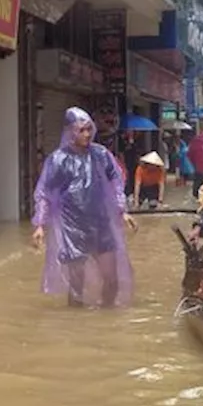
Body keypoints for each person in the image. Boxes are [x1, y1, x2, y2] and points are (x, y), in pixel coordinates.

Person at [31, 107, 137, 308]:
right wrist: (40, 224)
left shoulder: (101, 155)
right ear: (70, 131)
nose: (87, 134)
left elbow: (116, 180)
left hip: (101, 224)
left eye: (89, 129)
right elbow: (45, 192)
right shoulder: (58, 160)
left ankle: (106, 317)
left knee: (111, 279)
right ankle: (76, 325)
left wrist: (122, 210)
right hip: (74, 228)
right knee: (76, 287)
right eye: (82, 130)